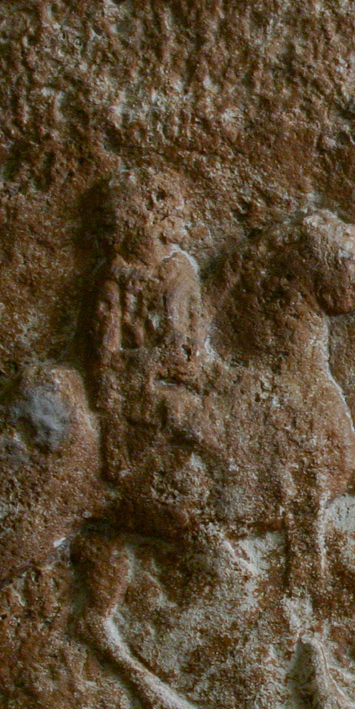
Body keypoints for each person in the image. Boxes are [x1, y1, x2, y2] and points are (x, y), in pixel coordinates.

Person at [90, 167, 213, 483]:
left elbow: (194, 341)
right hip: (136, 395)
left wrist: (188, 358)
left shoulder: (182, 273)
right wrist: (154, 361)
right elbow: (105, 358)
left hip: (180, 385)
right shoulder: (114, 281)